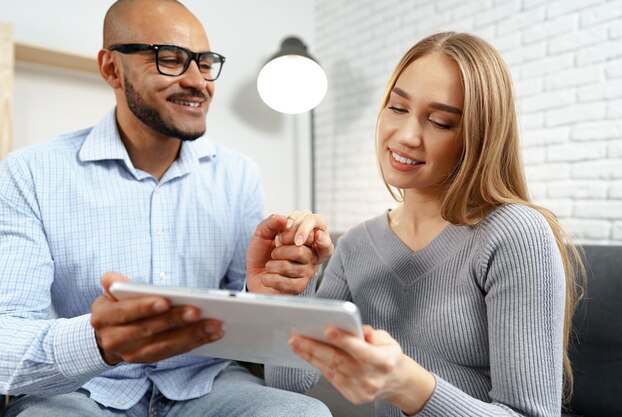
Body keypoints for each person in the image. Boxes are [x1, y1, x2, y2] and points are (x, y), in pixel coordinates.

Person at [0, 0, 333, 416]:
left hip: (207, 385)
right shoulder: (29, 173)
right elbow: (5, 340)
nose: (198, 81)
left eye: (206, 63)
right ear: (111, 69)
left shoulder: (238, 175)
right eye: (170, 59)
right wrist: (99, 340)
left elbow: (259, 336)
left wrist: (272, 294)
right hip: (83, 390)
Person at [263, 32, 585, 417]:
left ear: (478, 137)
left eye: (440, 121)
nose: (407, 136)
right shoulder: (356, 245)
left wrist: (406, 384)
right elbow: (287, 384)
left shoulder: (514, 233)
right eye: (397, 108)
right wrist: (294, 286)